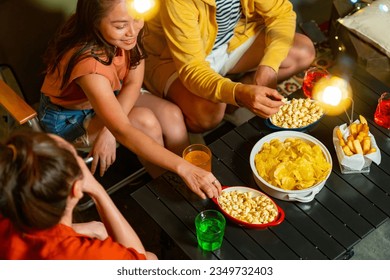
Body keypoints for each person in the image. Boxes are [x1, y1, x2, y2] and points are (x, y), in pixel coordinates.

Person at [38, 0, 221, 199]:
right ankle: (173, 192)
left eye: (137, 19)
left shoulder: (127, 31)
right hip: (71, 117)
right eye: (120, 26)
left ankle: (196, 182)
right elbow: (122, 129)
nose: (132, 31)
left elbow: (133, 82)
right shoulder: (90, 66)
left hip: (111, 93)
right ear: (95, 22)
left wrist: (108, 131)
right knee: (145, 121)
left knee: (171, 114)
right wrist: (183, 168)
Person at [143, 0, 316, 133]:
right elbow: (192, 68)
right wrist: (237, 93)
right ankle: (196, 113)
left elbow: (281, 14)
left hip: (231, 39)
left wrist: (269, 66)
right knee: (209, 115)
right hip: (173, 58)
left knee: (303, 51)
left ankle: (236, 105)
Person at [0, 131, 157, 260]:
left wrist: (88, 229)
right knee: (151, 259)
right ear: (76, 189)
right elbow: (139, 264)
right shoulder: (82, 254)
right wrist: (97, 190)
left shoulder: (10, 205)